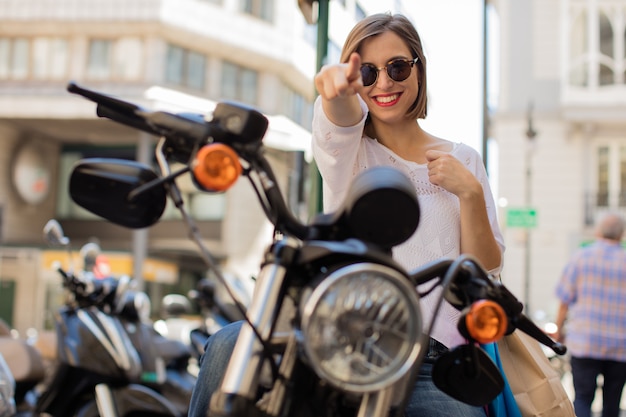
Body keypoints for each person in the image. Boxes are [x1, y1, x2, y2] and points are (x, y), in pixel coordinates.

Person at [188, 12, 504, 417]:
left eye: (397, 67)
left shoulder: (463, 160)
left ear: (418, 68)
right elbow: (338, 114)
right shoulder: (349, 149)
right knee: (227, 349)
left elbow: (485, 266)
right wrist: (334, 88)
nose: (385, 83)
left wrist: (470, 193)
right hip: (339, 339)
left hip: (428, 356)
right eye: (368, 72)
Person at [554, 212, 626, 417]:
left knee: (583, 398)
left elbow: (564, 300)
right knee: (613, 402)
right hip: (621, 346)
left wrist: (558, 329)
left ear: (598, 231)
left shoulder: (581, 257)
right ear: (622, 234)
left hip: (585, 342)